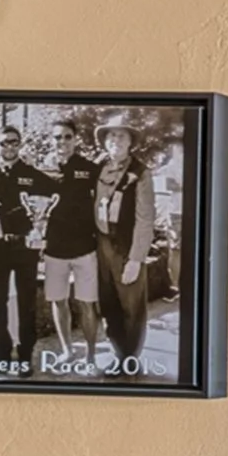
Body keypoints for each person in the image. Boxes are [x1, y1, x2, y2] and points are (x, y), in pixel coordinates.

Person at [0, 125, 57, 370]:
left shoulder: (33, 175)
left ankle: (25, 354)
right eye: (4, 142)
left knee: (27, 303)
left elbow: (55, 199)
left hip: (26, 248)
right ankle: (1, 353)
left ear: (20, 144)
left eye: (14, 142)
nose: (9, 147)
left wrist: (43, 230)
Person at [90, 117, 157, 370]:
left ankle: (130, 358)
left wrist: (136, 259)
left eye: (121, 136)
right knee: (108, 301)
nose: (115, 140)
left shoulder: (141, 172)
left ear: (130, 142)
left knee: (131, 305)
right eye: (111, 136)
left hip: (127, 246)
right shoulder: (98, 167)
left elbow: (145, 218)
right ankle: (117, 352)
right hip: (102, 244)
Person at [39, 118, 104, 372]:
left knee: (87, 303)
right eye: (57, 137)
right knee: (58, 301)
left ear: (75, 139)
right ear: (50, 140)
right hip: (54, 249)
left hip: (85, 249)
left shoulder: (89, 169)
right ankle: (67, 351)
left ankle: (90, 357)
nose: (62, 141)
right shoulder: (43, 170)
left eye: (67, 136)